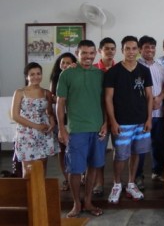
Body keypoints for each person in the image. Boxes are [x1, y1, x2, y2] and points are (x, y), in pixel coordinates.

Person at [56, 40, 107, 218]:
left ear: (96, 54)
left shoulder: (100, 74)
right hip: (76, 129)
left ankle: (88, 201)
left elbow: (105, 101)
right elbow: (60, 103)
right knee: (75, 169)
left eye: (91, 53)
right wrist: (62, 129)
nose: (88, 56)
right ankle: (76, 203)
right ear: (77, 53)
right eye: (84, 53)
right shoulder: (67, 75)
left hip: (98, 128)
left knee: (94, 166)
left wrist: (106, 122)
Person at [105, 36, 153, 204]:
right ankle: (117, 184)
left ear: (138, 50)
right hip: (122, 122)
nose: (131, 52)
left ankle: (131, 183)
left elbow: (149, 96)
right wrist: (113, 121)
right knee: (120, 155)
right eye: (128, 49)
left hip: (141, 121)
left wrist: (149, 119)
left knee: (136, 153)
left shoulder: (144, 71)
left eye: (134, 48)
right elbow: (108, 99)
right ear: (122, 50)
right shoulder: (113, 72)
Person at [11, 62, 57, 176]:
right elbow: (15, 115)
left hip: (43, 133)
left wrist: (51, 121)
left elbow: (50, 112)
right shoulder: (20, 92)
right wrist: (36, 126)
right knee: (27, 169)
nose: (36, 77)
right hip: (26, 133)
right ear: (27, 76)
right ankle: (27, 194)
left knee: (42, 167)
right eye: (32, 74)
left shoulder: (46, 92)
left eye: (38, 74)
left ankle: (41, 193)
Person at [135, 35, 164, 188]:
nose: (150, 50)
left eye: (152, 47)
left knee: (159, 145)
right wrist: (147, 103)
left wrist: (159, 98)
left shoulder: (160, 67)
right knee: (141, 147)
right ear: (140, 49)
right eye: (146, 47)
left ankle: (157, 171)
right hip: (142, 114)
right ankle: (138, 175)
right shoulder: (135, 66)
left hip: (159, 113)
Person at [92, 37, 117, 196]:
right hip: (98, 118)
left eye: (112, 48)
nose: (110, 51)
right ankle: (99, 183)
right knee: (99, 153)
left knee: (119, 152)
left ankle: (117, 182)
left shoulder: (119, 69)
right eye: (106, 48)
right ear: (100, 51)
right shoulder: (93, 69)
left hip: (117, 118)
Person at [49, 52, 77, 191]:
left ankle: (79, 176)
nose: (65, 65)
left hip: (74, 118)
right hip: (60, 118)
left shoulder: (76, 75)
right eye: (62, 63)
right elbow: (53, 98)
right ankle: (66, 178)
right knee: (62, 150)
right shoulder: (55, 78)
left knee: (76, 148)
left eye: (68, 62)